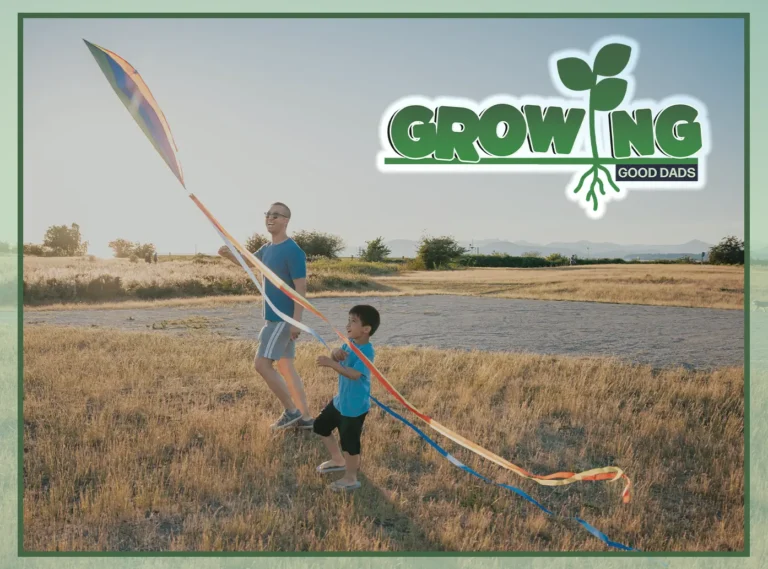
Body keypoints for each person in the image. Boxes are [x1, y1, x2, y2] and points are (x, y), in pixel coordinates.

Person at [218, 202, 313, 430]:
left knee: (261, 364)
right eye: (268, 214)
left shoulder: (293, 251)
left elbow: (301, 288)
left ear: (286, 221)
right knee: (287, 368)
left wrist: (295, 322)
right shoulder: (266, 248)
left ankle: (291, 412)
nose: (270, 218)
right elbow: (249, 264)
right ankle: (306, 419)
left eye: (276, 215)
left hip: (283, 319)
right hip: (274, 318)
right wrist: (228, 254)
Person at [313, 304, 380, 492]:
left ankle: (351, 478)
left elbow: (354, 374)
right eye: (348, 320)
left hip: (354, 407)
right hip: (340, 401)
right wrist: (335, 354)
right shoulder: (349, 343)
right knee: (320, 426)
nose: (348, 324)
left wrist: (330, 364)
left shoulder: (367, 352)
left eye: (353, 321)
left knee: (350, 444)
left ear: (366, 329)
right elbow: (338, 357)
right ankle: (337, 459)